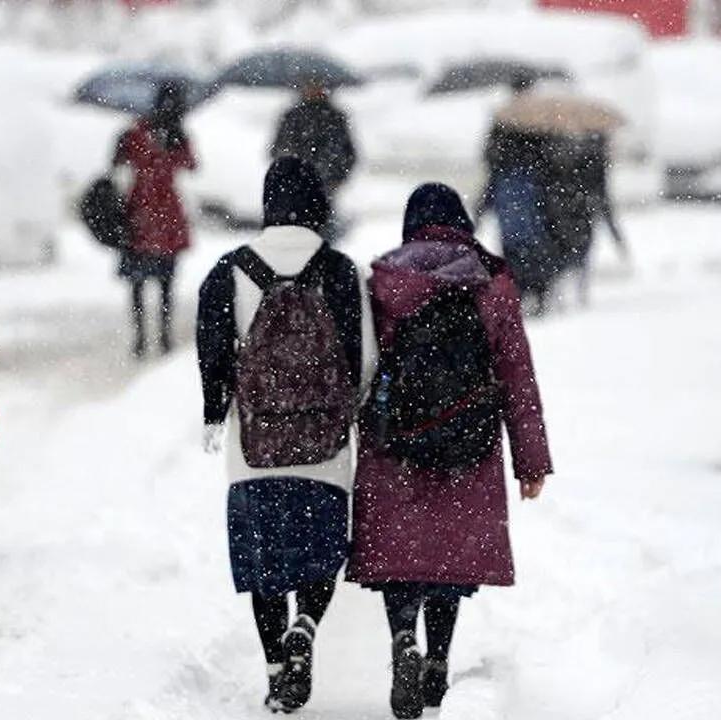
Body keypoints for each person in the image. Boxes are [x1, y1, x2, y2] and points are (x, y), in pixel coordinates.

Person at [349, 184, 553, 718]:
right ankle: (437, 658)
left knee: (402, 558)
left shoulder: (385, 281)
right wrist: (531, 462)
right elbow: (517, 377)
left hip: (396, 444)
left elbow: (363, 369)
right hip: (471, 442)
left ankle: (403, 641)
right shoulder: (491, 281)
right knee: (448, 555)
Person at [196, 157, 371, 713]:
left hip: (255, 448)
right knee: (320, 555)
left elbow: (212, 353)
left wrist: (215, 409)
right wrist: (346, 412)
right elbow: (362, 359)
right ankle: (306, 626)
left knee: (265, 563)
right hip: (324, 448)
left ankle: (277, 668)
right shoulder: (340, 271)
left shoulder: (230, 270)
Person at [115, 79, 197, 359]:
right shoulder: (175, 133)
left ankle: (141, 337)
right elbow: (191, 164)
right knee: (166, 281)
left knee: (138, 282)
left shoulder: (138, 131)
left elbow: (117, 163)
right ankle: (163, 335)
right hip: (166, 213)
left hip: (139, 211)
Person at [476, 74, 558, 314]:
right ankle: (535, 289)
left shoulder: (504, 118)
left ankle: (520, 290)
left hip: (510, 189)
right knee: (532, 240)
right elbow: (550, 160)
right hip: (528, 190)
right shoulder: (541, 119)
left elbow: (490, 156)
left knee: (514, 242)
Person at [542, 132, 629, 306]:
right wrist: (615, 233)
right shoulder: (594, 155)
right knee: (581, 254)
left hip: (562, 212)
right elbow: (602, 197)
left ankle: (563, 293)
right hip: (582, 213)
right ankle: (578, 294)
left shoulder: (558, 147)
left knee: (564, 253)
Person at [270, 80, 357, 243]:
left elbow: (349, 154)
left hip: (325, 187)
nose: (314, 90)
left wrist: (337, 178)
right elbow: (277, 150)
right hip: (295, 188)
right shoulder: (293, 117)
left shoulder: (335, 118)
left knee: (324, 233)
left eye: (318, 85)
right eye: (309, 85)